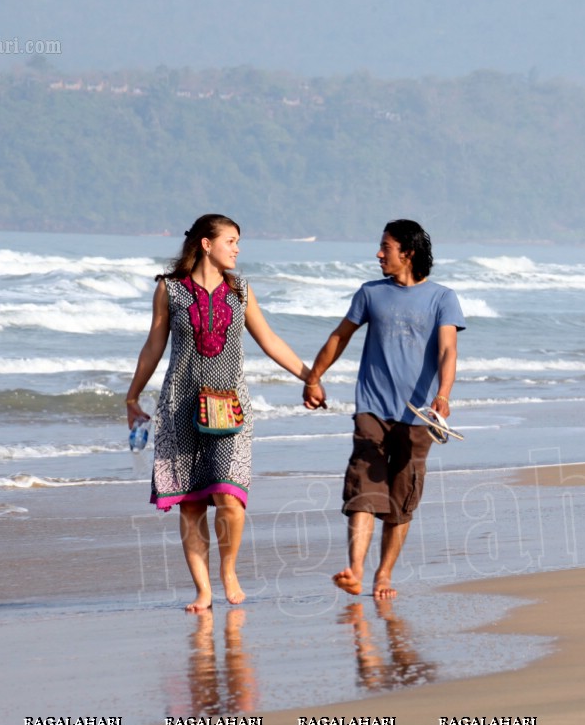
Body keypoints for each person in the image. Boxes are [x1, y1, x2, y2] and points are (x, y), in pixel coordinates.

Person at [126, 214, 316, 612]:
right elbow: (153, 346)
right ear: (206, 244)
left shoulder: (241, 290)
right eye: (231, 240)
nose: (237, 248)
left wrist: (309, 375)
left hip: (230, 405)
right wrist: (132, 397)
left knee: (230, 496)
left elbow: (269, 339)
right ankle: (203, 590)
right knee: (191, 502)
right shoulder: (170, 290)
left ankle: (228, 571)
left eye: (238, 241)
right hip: (180, 404)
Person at [302, 219, 464, 600]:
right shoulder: (370, 294)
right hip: (372, 407)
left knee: (401, 497)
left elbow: (448, 349)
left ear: (407, 252)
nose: (378, 254)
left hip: (419, 414)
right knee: (363, 486)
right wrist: (314, 378)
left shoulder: (443, 298)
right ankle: (356, 570)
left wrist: (443, 394)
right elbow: (339, 336)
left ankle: (383, 574)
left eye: (386, 247)